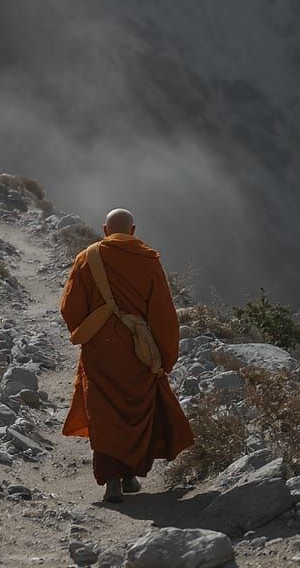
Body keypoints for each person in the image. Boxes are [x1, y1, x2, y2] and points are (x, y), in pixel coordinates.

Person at [59, 208, 194, 503]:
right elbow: (163, 315)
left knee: (104, 413)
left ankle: (113, 482)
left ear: (105, 230)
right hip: (138, 352)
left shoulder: (87, 258)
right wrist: (165, 356)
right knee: (136, 411)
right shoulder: (148, 261)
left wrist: (90, 330)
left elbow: (69, 308)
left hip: (100, 352)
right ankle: (130, 476)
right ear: (132, 231)